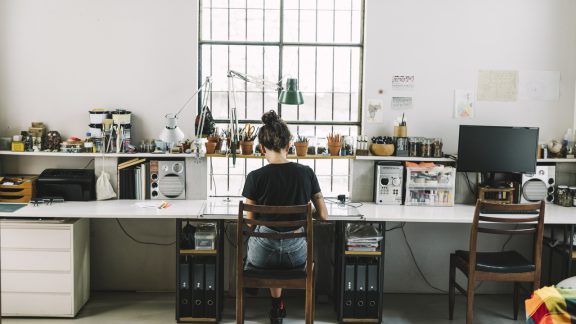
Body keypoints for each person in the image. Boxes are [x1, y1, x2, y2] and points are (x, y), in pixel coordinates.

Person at [241, 110, 328, 324]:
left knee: (264, 238)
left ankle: (274, 302)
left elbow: (250, 221)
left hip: (262, 257)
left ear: (262, 148)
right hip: (296, 257)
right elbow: (324, 215)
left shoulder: (255, 177)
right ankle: (278, 304)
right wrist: (305, 212)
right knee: (288, 239)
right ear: (289, 145)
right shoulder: (306, 172)